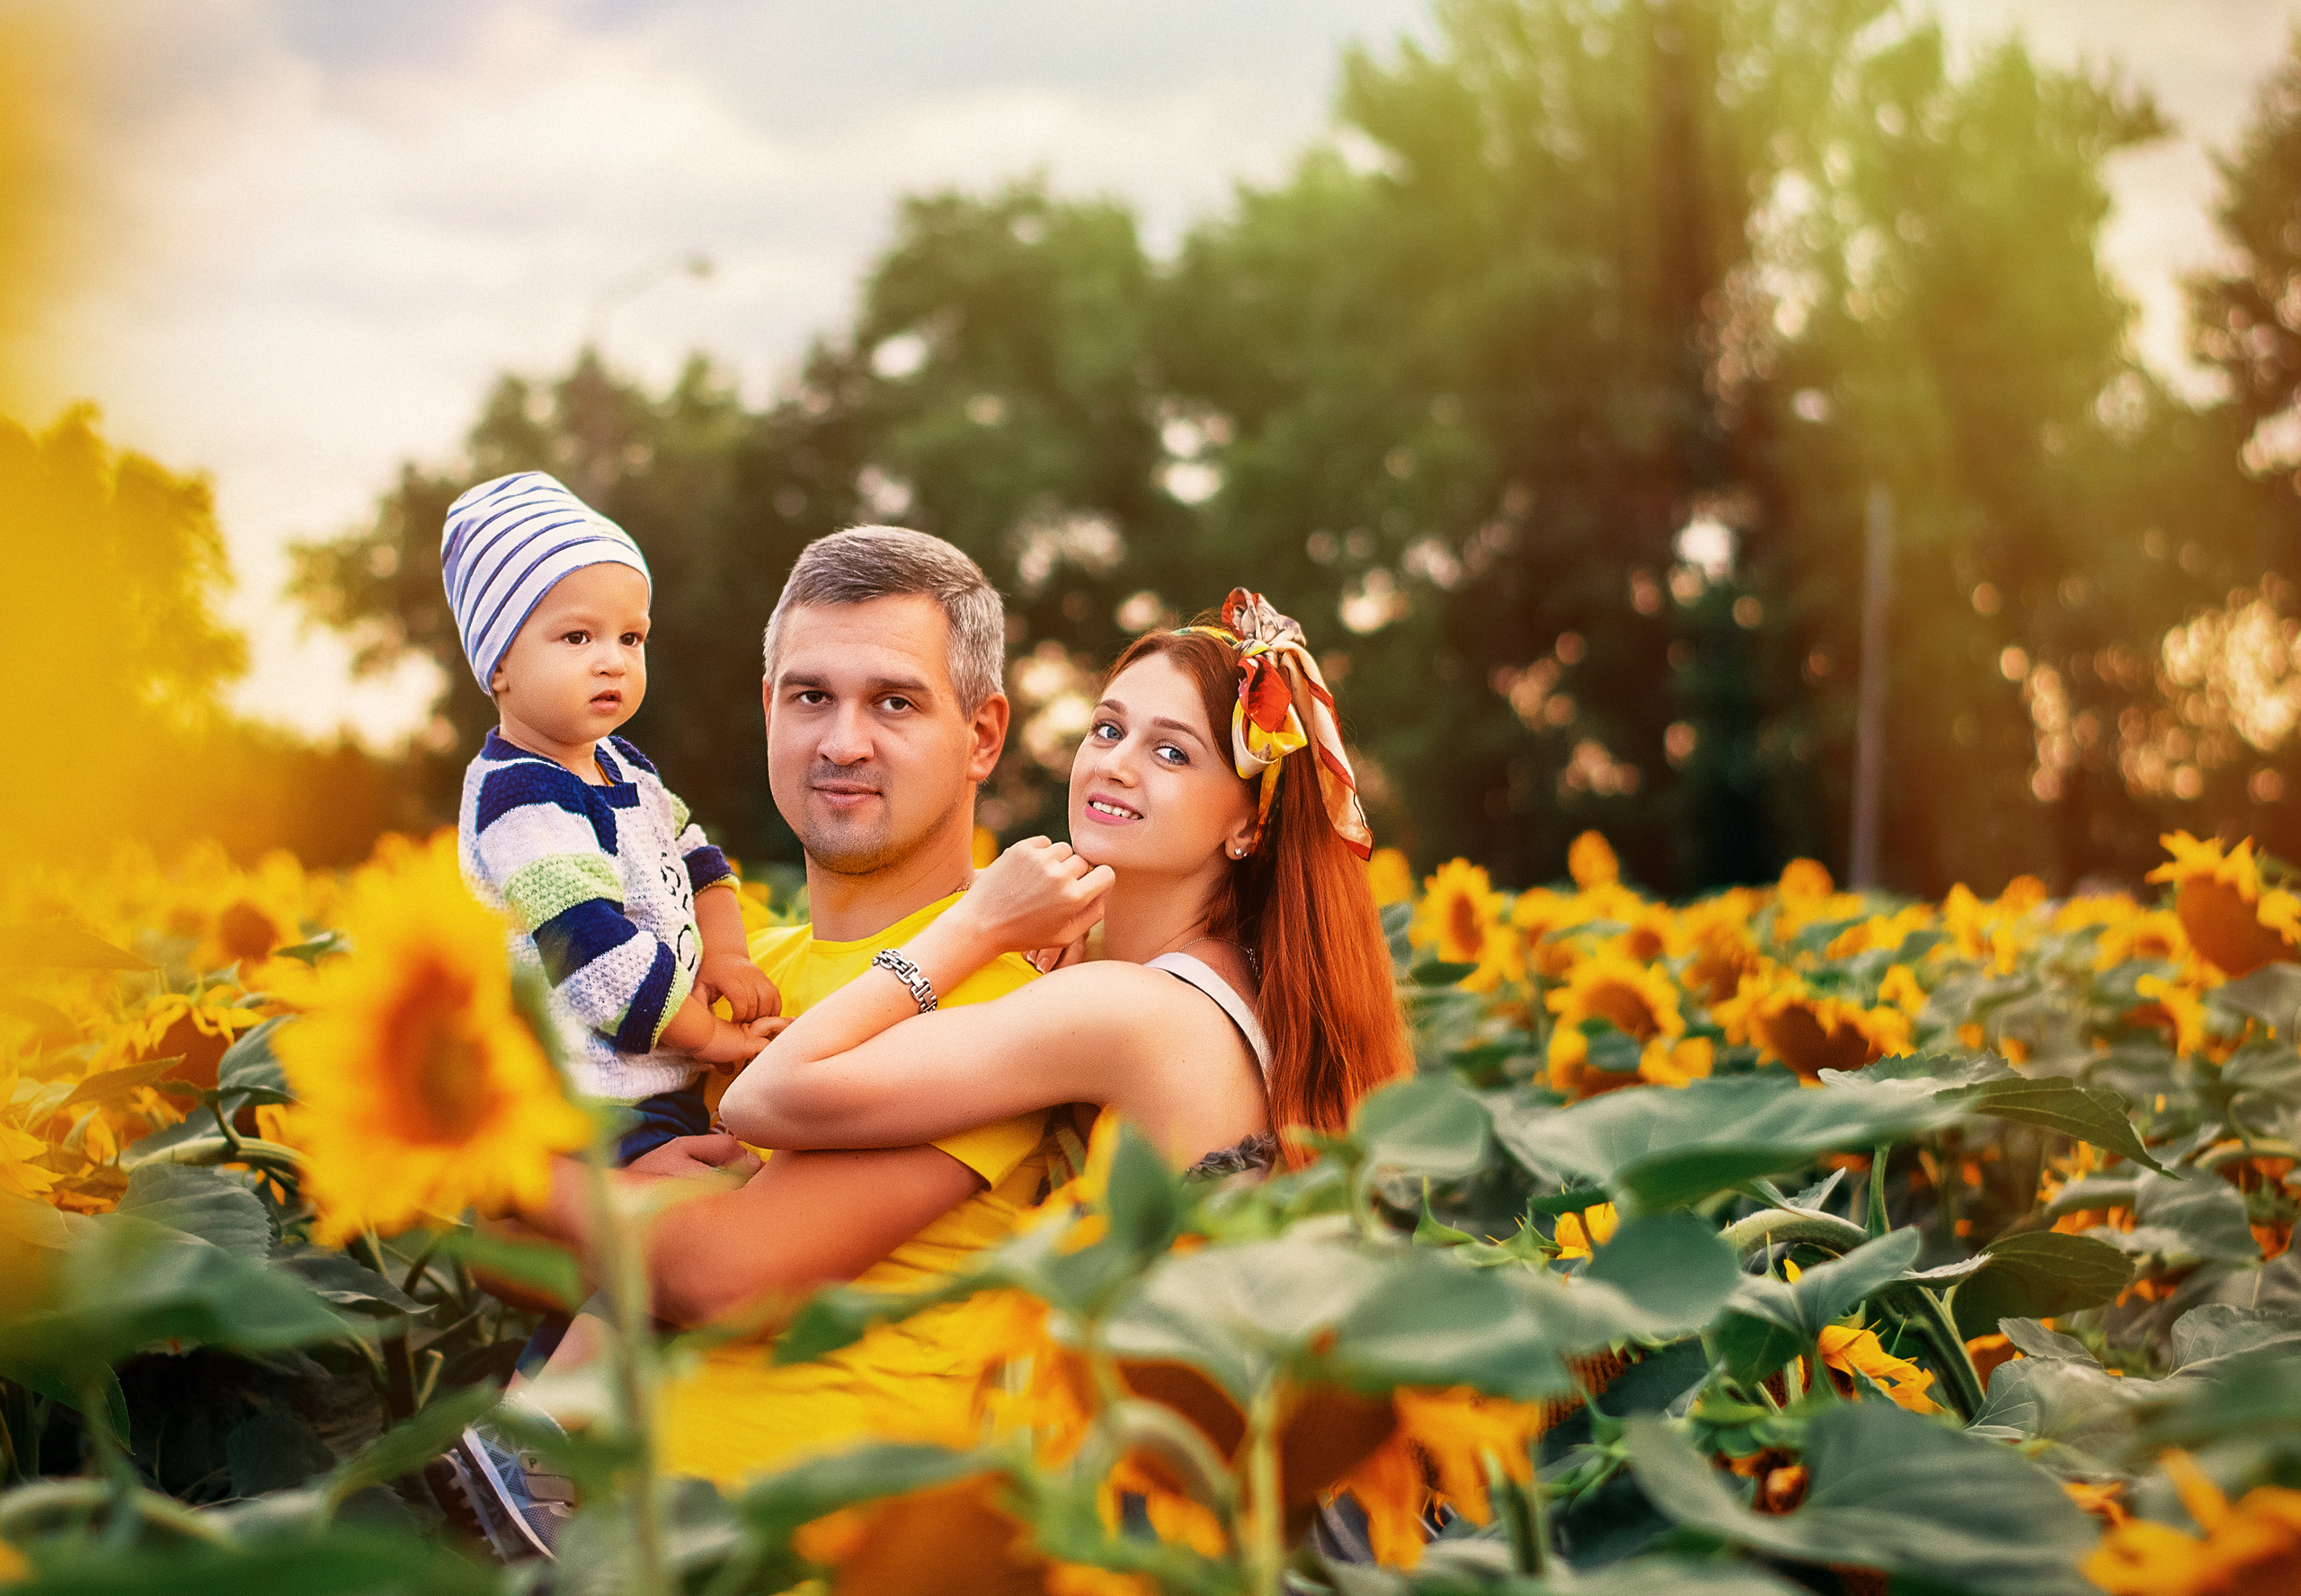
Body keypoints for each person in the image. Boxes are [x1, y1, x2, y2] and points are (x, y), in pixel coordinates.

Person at [442, 527, 1060, 1556]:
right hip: (582, 1541)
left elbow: (723, 1274)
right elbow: (497, 1255)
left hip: (805, 1553)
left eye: (894, 702)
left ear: (983, 736)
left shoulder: (1003, 996)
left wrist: (546, 1183)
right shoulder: (722, 972)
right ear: (766, 707)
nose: (843, 741)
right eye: (810, 696)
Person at [717, 587, 1412, 1175]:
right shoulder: (1216, 971)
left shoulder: (1122, 1005)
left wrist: (975, 925)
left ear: (1248, 828)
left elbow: (764, 1099)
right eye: (1108, 730)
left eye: (1172, 752)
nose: (1117, 764)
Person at [440, 471, 777, 1162]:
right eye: (577, 638)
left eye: (631, 638)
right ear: (498, 663)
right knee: (672, 1234)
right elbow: (591, 949)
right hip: (583, 1102)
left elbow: (699, 861)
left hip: (655, 1073)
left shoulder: (626, 767)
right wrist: (710, 1037)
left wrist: (728, 953)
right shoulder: (522, 797)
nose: (612, 662)